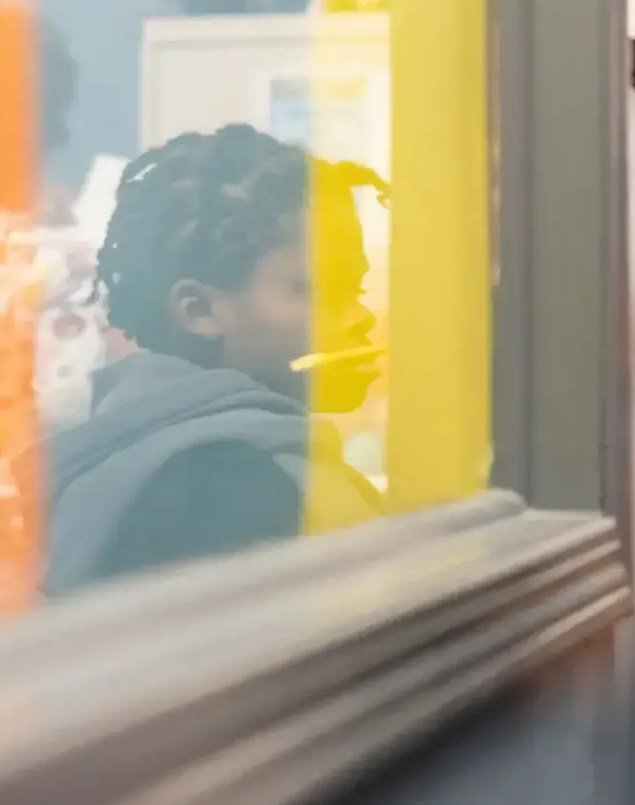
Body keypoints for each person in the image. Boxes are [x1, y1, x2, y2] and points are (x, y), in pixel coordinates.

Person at [33, 125, 385, 597]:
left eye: (356, 289)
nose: (362, 317)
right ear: (199, 310)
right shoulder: (221, 489)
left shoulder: (149, 450)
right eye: (320, 290)